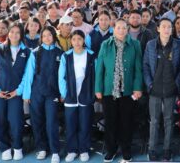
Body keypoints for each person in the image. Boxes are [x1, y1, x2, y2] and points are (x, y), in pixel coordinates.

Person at [95, 18, 143, 163]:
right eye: (118, 28)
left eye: (124, 28)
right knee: (110, 122)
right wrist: (98, 88)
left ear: (127, 29)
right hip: (109, 90)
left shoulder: (135, 44)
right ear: (113, 29)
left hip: (128, 91)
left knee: (126, 122)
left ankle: (126, 150)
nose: (121, 31)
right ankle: (111, 149)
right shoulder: (105, 45)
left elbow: (138, 69)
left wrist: (137, 87)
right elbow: (100, 69)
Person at [0, 22, 33, 161]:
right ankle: (5, 148)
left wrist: (18, 91)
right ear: (8, 33)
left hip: (15, 94)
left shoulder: (27, 52)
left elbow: (27, 74)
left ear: (21, 35)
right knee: (0, 121)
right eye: (11, 32)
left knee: (16, 121)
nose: (14, 35)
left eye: (17, 32)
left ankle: (17, 147)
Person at [143, 17, 180, 162]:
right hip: (154, 88)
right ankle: (152, 149)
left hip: (170, 88)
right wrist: (149, 84)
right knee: (154, 121)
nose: (167, 29)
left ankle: (167, 149)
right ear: (158, 29)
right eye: (164, 26)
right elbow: (146, 66)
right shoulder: (150, 45)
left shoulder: (179, 45)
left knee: (169, 120)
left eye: (169, 27)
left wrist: (176, 84)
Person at [23, 25, 64, 163]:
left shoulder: (60, 53)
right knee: (37, 121)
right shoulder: (35, 52)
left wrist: (62, 93)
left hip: (52, 93)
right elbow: (29, 74)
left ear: (54, 36)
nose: (47, 38)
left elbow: (63, 76)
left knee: (52, 122)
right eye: (44, 35)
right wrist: (27, 94)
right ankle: (42, 148)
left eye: (49, 35)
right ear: (41, 37)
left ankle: (55, 151)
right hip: (37, 93)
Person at [58, 30, 95, 163]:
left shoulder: (91, 55)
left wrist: (93, 93)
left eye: (80, 39)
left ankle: (84, 150)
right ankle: (72, 150)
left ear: (84, 40)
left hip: (85, 95)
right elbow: (61, 77)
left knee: (85, 124)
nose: (77, 42)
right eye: (74, 39)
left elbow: (95, 76)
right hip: (71, 96)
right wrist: (64, 93)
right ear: (71, 41)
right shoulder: (66, 56)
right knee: (71, 125)